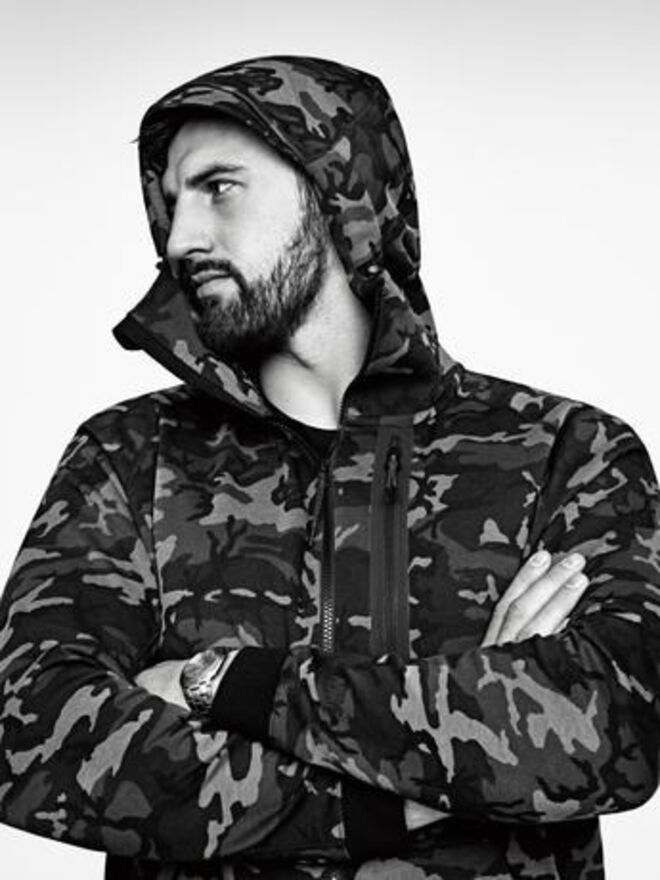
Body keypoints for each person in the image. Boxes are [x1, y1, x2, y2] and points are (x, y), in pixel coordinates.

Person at [0, 55, 658, 880]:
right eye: (171, 202)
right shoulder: (130, 457)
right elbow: (32, 733)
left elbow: (613, 727)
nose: (178, 239)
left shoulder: (565, 451)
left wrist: (224, 684)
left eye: (219, 188)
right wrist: (403, 789)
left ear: (338, 194)